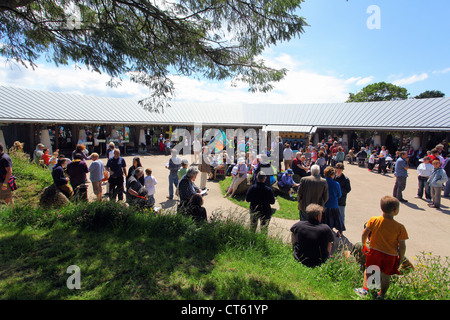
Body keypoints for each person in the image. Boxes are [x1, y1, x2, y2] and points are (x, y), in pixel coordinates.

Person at [354, 196, 408, 299]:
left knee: (370, 269)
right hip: (390, 255)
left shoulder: (374, 220)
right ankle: (381, 294)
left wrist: (364, 244)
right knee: (386, 275)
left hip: (375, 251)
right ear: (395, 210)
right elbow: (402, 246)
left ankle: (366, 289)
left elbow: (364, 234)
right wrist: (400, 258)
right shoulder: (400, 227)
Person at [290, 203, 334, 268]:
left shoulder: (299, 225)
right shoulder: (325, 228)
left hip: (300, 258)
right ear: (318, 216)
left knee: (294, 233)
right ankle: (326, 257)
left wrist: (294, 244)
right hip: (319, 261)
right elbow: (330, 242)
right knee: (329, 242)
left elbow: (292, 231)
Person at [323, 167, 344, 237]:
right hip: (333, 204)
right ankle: (339, 232)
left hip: (325, 204)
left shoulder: (322, 182)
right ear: (332, 175)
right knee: (336, 220)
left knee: (325, 220)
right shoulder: (336, 184)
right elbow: (339, 195)